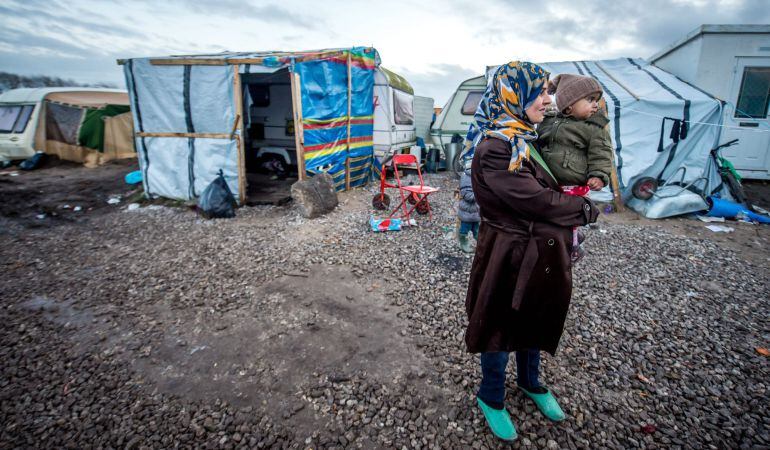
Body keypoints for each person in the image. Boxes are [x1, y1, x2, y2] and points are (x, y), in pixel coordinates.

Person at [463, 62, 600, 442]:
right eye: (538, 92)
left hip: (536, 251)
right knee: (500, 324)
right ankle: (490, 396)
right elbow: (538, 201)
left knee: (534, 317)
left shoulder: (524, 137)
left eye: (545, 91)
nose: (547, 99)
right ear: (512, 96)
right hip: (508, 252)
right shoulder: (495, 147)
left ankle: (530, 383)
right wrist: (586, 209)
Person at [537, 74, 614, 262]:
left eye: (596, 100)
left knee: (568, 215)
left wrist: (599, 175)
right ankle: (565, 239)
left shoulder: (593, 128)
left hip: (573, 180)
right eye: (590, 100)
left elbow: (602, 153)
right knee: (549, 214)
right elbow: (538, 141)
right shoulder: (548, 120)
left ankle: (572, 248)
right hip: (550, 179)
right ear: (569, 104)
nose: (595, 105)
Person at [457, 167, 480, 253]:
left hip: (476, 212)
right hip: (467, 212)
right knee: (464, 230)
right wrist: (481, 194)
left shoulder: (479, 174)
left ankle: (481, 244)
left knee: (477, 230)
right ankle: (464, 244)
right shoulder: (467, 177)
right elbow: (467, 195)